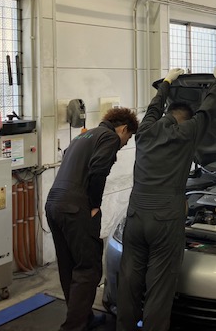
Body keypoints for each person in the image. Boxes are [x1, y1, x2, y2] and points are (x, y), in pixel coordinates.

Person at [116, 65, 216, 331]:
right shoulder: (186, 133)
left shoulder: (144, 132)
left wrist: (167, 81)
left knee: (129, 279)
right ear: (184, 120)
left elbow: (153, 108)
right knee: (160, 285)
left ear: (167, 115)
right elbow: (207, 111)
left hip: (135, 214)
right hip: (166, 218)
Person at [45, 107, 139, 331]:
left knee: (69, 266)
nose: (125, 143)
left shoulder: (83, 136)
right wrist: (95, 205)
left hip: (53, 204)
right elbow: (99, 169)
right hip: (76, 207)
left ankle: (83, 318)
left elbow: (69, 160)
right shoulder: (109, 137)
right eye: (128, 137)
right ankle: (73, 327)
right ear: (123, 128)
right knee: (89, 268)